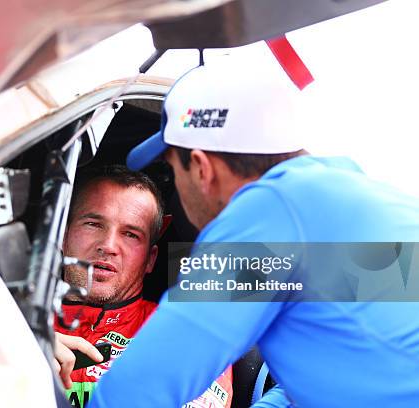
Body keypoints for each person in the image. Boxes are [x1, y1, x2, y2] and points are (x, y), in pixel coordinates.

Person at [89, 45, 419, 407]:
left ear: (201, 168)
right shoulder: (350, 194)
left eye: (172, 171)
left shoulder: (266, 220)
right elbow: (359, 359)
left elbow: (137, 392)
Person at [54, 165, 234, 408]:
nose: (108, 245)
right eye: (94, 224)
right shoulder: (8, 323)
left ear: (150, 259)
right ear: (62, 237)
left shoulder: (189, 332)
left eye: (130, 234)